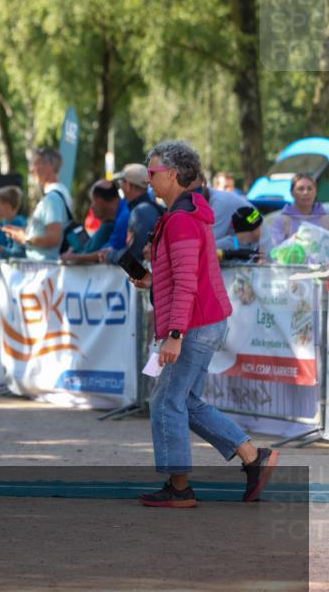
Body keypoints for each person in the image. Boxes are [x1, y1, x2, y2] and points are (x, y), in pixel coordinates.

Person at [130, 140, 277, 508]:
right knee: (186, 401)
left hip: (194, 324)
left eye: (153, 172)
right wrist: (151, 280)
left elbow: (186, 283)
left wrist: (175, 335)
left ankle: (179, 488)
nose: (149, 180)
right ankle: (252, 457)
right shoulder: (190, 213)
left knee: (165, 401)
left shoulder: (180, 219)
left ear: (173, 175)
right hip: (204, 321)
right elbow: (188, 273)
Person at [2, 147, 72, 261]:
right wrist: (24, 231)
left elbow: (54, 238)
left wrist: (24, 238)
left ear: (49, 166)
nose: (31, 169)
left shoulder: (52, 198)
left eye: (35, 164)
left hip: (46, 269)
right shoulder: (60, 193)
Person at [98, 163, 164, 265]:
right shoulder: (149, 208)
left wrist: (110, 256)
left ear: (128, 185)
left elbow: (134, 257)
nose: (120, 186)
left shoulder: (141, 213)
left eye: (121, 182)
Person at [61, 180, 124, 263]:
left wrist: (73, 257)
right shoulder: (115, 220)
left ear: (100, 201)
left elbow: (106, 252)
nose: (92, 206)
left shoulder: (110, 226)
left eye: (93, 201)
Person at [270, 173, 327, 246]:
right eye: (300, 189)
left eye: (310, 188)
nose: (305, 192)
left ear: (316, 192)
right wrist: (290, 242)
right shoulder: (282, 221)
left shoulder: (326, 219)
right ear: (292, 193)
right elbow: (274, 251)